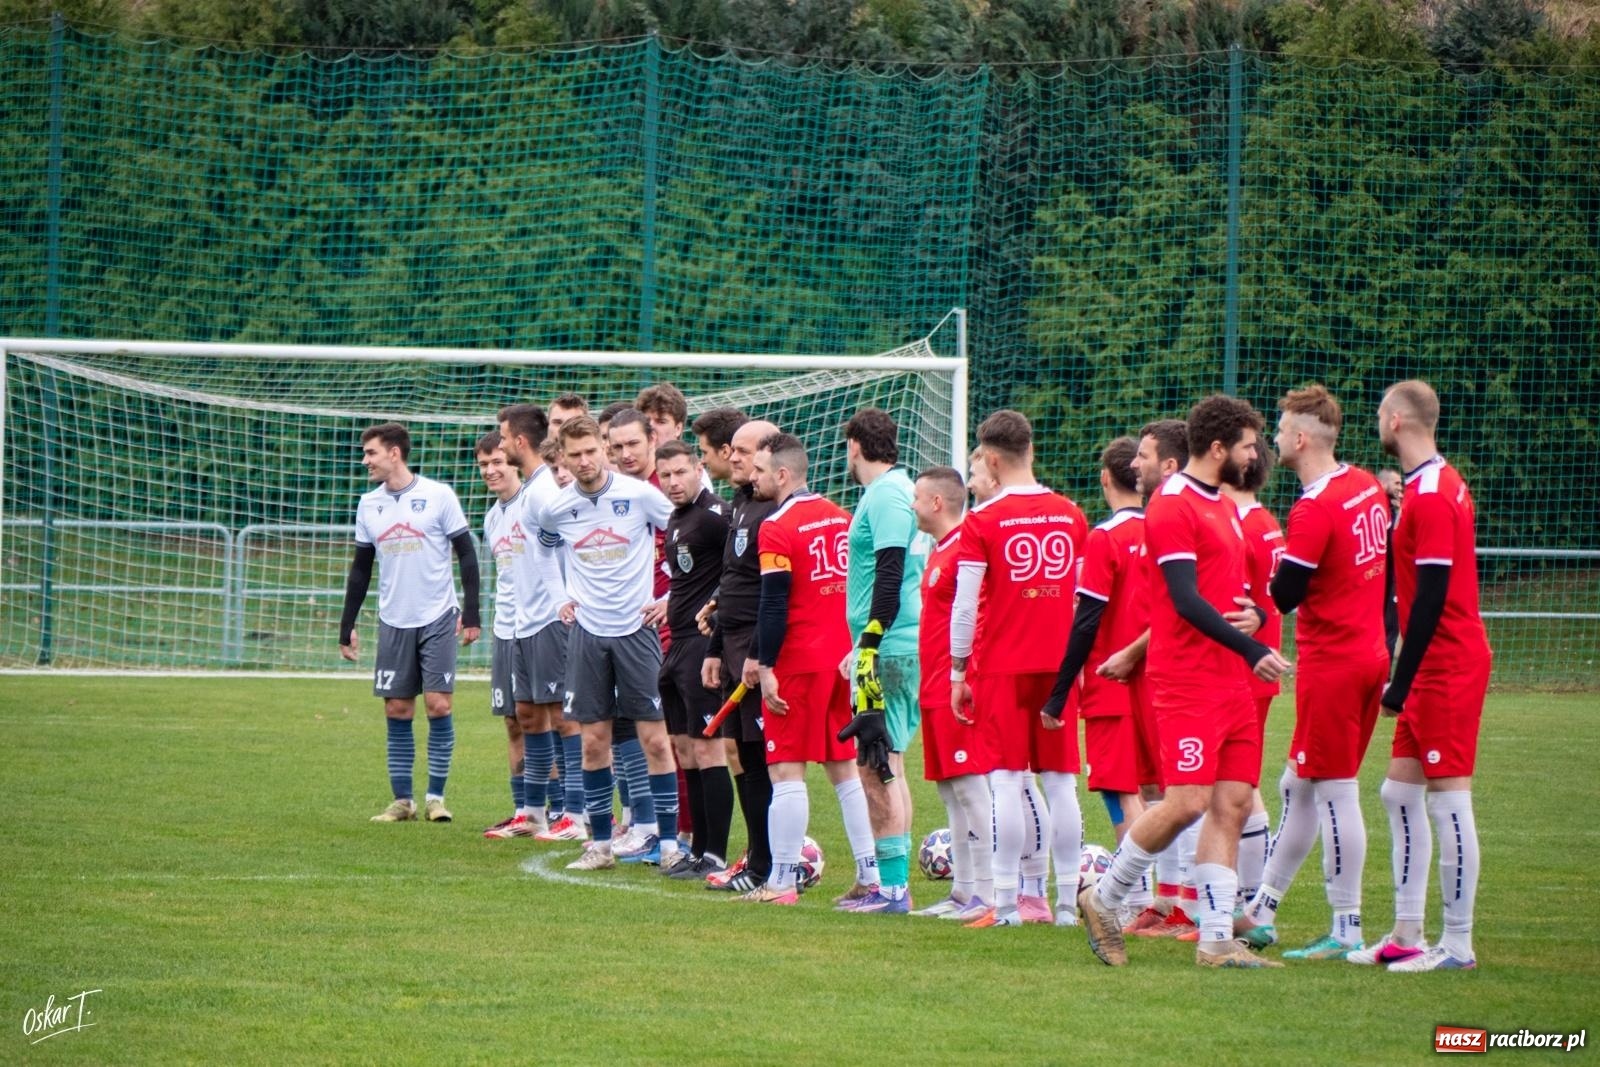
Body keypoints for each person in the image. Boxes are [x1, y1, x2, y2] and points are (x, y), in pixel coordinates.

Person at [1078, 395, 1291, 969]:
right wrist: (1252, 646)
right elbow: (1183, 599)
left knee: (1234, 801)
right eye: (1249, 445)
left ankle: (1216, 941)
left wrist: (1251, 616)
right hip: (1188, 680)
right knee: (1188, 801)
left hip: (1230, 680)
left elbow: (1222, 592)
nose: (1256, 455)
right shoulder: (1172, 505)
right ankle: (1106, 897)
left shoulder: (1220, 504)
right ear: (1218, 448)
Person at [1232, 384, 1390, 959]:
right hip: (1368, 654)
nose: (1272, 440)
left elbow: (1287, 592)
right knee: (1296, 784)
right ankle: (1262, 908)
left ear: (1301, 439)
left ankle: (1346, 925)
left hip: (1336, 664)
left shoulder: (1315, 506)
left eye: (1278, 430)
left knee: (1335, 791)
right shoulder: (1365, 484)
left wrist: (1263, 601)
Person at [1358, 380, 1491, 972]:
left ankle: (1457, 944)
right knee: (1397, 792)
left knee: (1448, 800)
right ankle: (1407, 932)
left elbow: (1433, 596)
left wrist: (1400, 681)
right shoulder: (1426, 486)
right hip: (1431, 661)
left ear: (1395, 420)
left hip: (1446, 663)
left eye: (1379, 417)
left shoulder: (1435, 493)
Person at [950, 410, 1088, 928]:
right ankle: (1069, 904)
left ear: (989, 459)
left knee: (1007, 781)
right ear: (1030, 450)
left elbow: (965, 607)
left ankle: (1006, 903)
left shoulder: (983, 520)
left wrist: (958, 669)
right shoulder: (1071, 513)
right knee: (1060, 783)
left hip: (1005, 665)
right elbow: (1081, 600)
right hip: (1059, 663)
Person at [532, 416, 681, 871]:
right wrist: (559, 597)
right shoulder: (555, 508)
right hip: (587, 634)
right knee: (593, 742)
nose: (584, 461)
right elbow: (541, 549)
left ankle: (669, 843)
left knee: (655, 739)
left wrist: (670, 596)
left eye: (590, 451)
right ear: (563, 456)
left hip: (636, 631)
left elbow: (682, 535)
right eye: (573, 455)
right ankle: (599, 846)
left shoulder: (638, 495)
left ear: (604, 448)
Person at [738, 433, 877, 904]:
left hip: (798, 662)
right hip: (842, 661)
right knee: (844, 772)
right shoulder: (843, 518)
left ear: (781, 474)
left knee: (786, 773)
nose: (751, 477)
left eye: (758, 470)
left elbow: (774, 605)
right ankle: (870, 874)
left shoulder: (776, 527)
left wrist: (768, 665)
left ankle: (781, 881)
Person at [339, 422, 481, 823]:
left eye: (371, 453)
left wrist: (471, 613)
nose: (365, 460)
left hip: (438, 615)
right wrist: (346, 623)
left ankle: (436, 797)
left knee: (438, 705)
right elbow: (360, 569)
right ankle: (403, 801)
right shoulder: (368, 504)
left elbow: (467, 555)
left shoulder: (438, 495)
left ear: (394, 453)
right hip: (393, 620)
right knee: (397, 709)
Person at [1042, 438, 1153, 858]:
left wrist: (1059, 693)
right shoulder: (1160, 528)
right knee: (1157, 790)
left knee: (1120, 790)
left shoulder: (1104, 538)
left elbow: (1086, 622)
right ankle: (1173, 896)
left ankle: (1132, 896)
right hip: (1157, 677)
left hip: (1112, 680)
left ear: (1105, 477)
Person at [836, 408, 927, 914]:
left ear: (854, 445)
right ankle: (891, 884)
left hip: (888, 649)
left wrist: (868, 641)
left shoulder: (889, 494)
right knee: (887, 762)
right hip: (888, 645)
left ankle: (891, 890)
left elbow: (891, 573)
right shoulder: (891, 491)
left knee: (875, 766)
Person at [907, 465, 996, 920]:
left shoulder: (966, 548)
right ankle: (963, 891)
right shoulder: (940, 550)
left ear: (937, 503)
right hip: (933, 683)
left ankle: (987, 892)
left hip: (957, 684)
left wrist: (967, 675)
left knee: (971, 787)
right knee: (949, 790)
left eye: (918, 498)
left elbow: (978, 618)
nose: (913, 505)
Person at [486, 404, 577, 842]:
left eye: (502, 439)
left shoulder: (544, 492)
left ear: (520, 442)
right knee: (526, 714)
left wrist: (565, 600)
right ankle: (533, 811)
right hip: (521, 623)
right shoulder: (530, 493)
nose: (500, 446)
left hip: (549, 619)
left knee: (562, 715)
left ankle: (576, 814)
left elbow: (570, 548)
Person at [700, 418, 779, 893]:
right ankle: (755, 858)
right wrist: (714, 647)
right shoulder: (742, 504)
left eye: (744, 451)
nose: (733, 457)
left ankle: (769, 864)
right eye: (732, 450)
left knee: (765, 758)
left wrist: (757, 653)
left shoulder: (775, 509)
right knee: (738, 753)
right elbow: (733, 581)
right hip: (730, 652)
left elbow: (775, 594)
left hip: (757, 654)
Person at [654, 440, 735, 880]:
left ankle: (716, 854)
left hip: (703, 644)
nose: (672, 482)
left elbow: (741, 569)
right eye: (665, 475)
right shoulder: (677, 517)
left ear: (698, 468)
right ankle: (698, 847)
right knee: (685, 748)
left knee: (707, 749)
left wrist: (719, 622)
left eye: (680, 473)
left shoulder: (715, 516)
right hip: (677, 644)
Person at [1220, 447, 1283, 913]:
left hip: (1245, 668)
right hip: (1257, 665)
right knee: (1241, 784)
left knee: (1240, 786)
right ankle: (1248, 902)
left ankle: (1250, 903)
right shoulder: (1264, 521)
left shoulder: (1242, 526)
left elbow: (1236, 607)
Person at [475, 432, 529, 836]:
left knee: (548, 716)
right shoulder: (492, 517)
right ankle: (523, 808)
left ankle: (565, 808)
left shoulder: (535, 503)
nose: (491, 471)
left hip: (539, 627)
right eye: (483, 465)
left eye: (497, 461)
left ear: (513, 461)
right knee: (512, 720)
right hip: (504, 630)